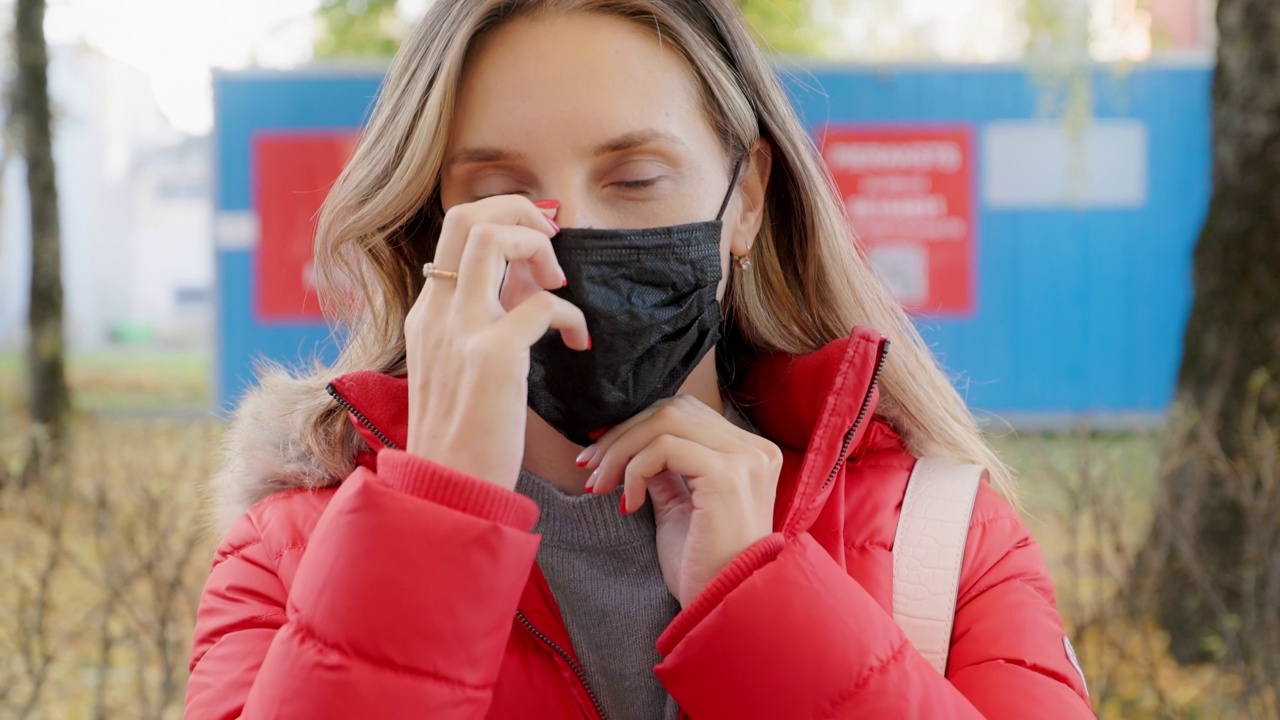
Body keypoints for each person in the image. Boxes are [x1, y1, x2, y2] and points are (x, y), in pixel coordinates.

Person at [186, 1, 1094, 718]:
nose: (568, 232)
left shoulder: (940, 535)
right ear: (432, 228)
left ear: (745, 202)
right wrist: (433, 519)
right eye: (501, 193)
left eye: (633, 179)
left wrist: (765, 606)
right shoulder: (290, 554)